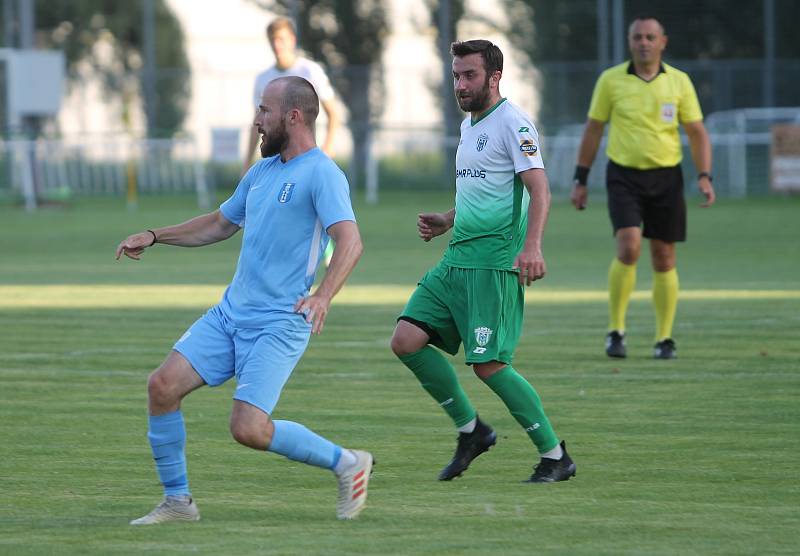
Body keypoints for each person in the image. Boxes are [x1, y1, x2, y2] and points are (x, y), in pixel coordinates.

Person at [117, 76, 372, 525]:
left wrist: (323, 296)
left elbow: (350, 242)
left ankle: (347, 463)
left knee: (248, 429)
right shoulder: (262, 171)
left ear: (293, 116)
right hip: (231, 314)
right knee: (161, 387)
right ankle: (178, 503)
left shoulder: (322, 173)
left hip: (280, 321)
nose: (256, 121)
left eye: (263, 110)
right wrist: (156, 235)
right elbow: (218, 223)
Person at [390, 40, 576, 484]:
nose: (460, 84)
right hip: (455, 262)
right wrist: (447, 220)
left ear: (494, 76)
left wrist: (532, 247)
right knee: (406, 340)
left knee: (488, 364)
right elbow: (483, 190)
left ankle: (555, 456)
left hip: (493, 265)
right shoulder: (468, 125)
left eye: (469, 75)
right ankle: (472, 431)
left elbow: (540, 190)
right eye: (456, 75)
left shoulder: (514, 124)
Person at [570, 15, 715, 360]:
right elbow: (593, 129)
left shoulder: (679, 82)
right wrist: (581, 178)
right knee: (629, 246)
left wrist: (705, 175)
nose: (644, 42)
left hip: (666, 177)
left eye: (651, 37)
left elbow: (697, 133)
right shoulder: (611, 80)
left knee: (664, 256)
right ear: (629, 41)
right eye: (638, 37)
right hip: (623, 175)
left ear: (663, 41)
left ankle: (664, 338)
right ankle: (615, 331)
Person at [243, 17, 340, 172]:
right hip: (276, 164)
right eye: (273, 40)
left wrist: (327, 151)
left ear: (292, 40)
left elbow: (333, 114)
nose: (277, 45)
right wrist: (246, 164)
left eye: (281, 39)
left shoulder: (310, 71)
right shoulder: (263, 78)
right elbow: (257, 123)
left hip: (307, 161)